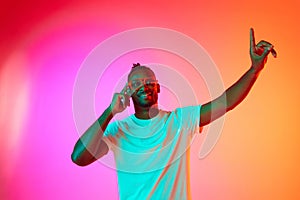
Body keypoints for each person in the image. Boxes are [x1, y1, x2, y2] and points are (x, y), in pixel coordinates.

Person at [71, 28, 276, 199]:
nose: (143, 85)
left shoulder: (180, 121)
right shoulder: (118, 130)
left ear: (158, 88)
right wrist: (109, 112)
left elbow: (226, 102)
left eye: (149, 81)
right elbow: (79, 157)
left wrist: (254, 70)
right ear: (128, 92)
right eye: (136, 83)